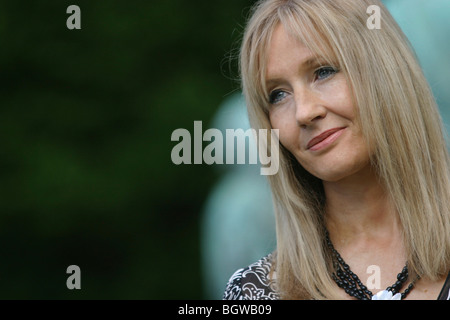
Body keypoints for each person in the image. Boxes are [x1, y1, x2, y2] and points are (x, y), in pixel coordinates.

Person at [223, 0, 450, 300]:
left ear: (385, 72)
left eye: (323, 72)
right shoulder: (256, 293)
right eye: (278, 95)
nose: (303, 112)